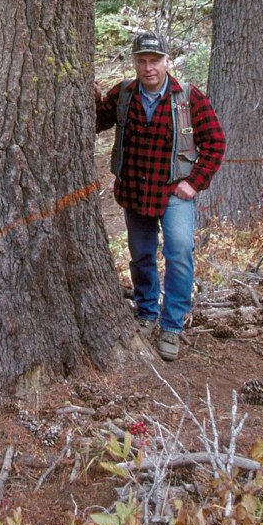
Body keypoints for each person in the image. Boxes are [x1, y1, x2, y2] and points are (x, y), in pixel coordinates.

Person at [95, 30, 226, 361]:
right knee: (141, 255)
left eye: (155, 61)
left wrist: (194, 183)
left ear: (167, 62)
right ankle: (146, 313)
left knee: (179, 253)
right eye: (142, 61)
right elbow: (96, 122)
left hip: (174, 191)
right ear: (135, 63)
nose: (148, 67)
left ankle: (172, 326)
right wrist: (91, 99)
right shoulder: (124, 93)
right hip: (135, 189)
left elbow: (215, 143)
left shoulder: (189, 98)